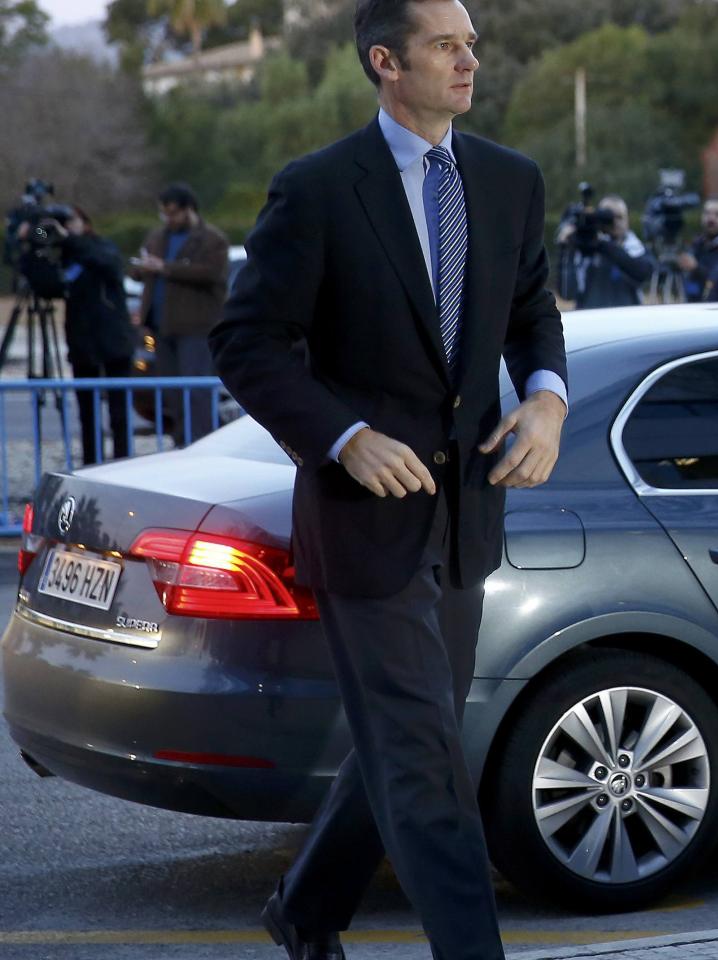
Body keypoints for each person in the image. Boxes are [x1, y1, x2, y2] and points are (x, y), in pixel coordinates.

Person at [209, 1, 569, 957]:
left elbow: (534, 310)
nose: (469, 62)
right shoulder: (320, 189)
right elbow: (246, 342)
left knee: (405, 745)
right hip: (361, 527)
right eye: (446, 46)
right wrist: (343, 435)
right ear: (385, 62)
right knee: (424, 763)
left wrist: (547, 400)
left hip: (464, 526)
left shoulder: (508, 180)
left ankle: (304, 910)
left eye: (471, 45)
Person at [15, 207, 134, 464]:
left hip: (114, 340)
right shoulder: (63, 257)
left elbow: (109, 265)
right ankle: (92, 463)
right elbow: (49, 287)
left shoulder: (101, 247)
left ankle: (124, 462)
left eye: (68, 222)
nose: (63, 229)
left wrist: (70, 239)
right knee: (87, 414)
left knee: (118, 412)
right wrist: (29, 245)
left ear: (86, 223)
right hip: (83, 344)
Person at [128, 182, 228, 445]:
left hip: (195, 327)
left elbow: (212, 273)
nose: (168, 219)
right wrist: (141, 268)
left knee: (196, 390)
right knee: (172, 392)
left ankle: (204, 442)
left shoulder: (211, 239)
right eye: (164, 213)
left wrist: (166, 268)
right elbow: (139, 268)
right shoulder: (158, 237)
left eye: (173, 213)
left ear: (189, 210)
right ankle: (182, 441)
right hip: (161, 327)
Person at [559, 195, 655, 308]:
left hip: (629, 321)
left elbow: (643, 273)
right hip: (590, 320)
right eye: (608, 217)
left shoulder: (636, 248)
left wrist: (602, 245)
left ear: (627, 220)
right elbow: (567, 294)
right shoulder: (585, 248)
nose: (614, 222)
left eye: (619, 217)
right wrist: (567, 250)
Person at [675, 195, 718, 301]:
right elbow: (688, 282)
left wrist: (697, 269)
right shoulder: (696, 245)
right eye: (707, 213)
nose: (711, 219)